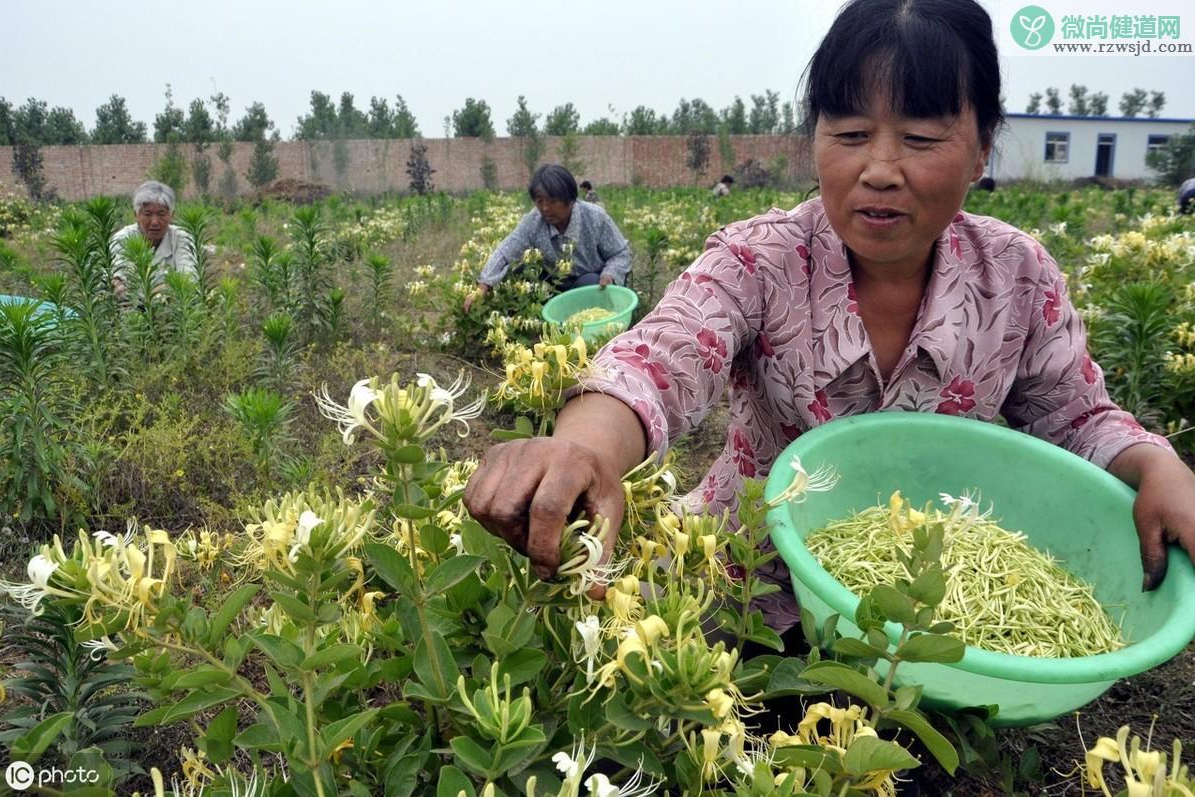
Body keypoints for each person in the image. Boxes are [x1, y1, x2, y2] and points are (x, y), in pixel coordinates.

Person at [464, 0, 1195, 629]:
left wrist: (1154, 465)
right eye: (849, 134)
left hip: (928, 608)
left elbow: (1075, 415)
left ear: (981, 150)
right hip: (744, 579)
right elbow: (659, 357)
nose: (879, 166)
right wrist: (585, 447)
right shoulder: (759, 258)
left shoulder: (1018, 276)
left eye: (920, 137)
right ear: (814, 141)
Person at [463, 165, 631, 312]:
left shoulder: (595, 217)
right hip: (552, 285)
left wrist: (610, 274)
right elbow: (505, 252)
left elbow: (621, 253)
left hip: (588, 282)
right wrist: (482, 287)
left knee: (591, 283)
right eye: (539, 201)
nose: (545, 208)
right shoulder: (533, 221)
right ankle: (536, 318)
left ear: (570, 199)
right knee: (519, 270)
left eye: (552, 201)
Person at [110, 180, 196, 296]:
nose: (154, 222)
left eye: (161, 214)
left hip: (170, 308)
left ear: (172, 215)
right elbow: (118, 278)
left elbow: (188, 278)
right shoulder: (122, 239)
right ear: (136, 215)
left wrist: (156, 293)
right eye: (147, 214)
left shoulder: (181, 238)